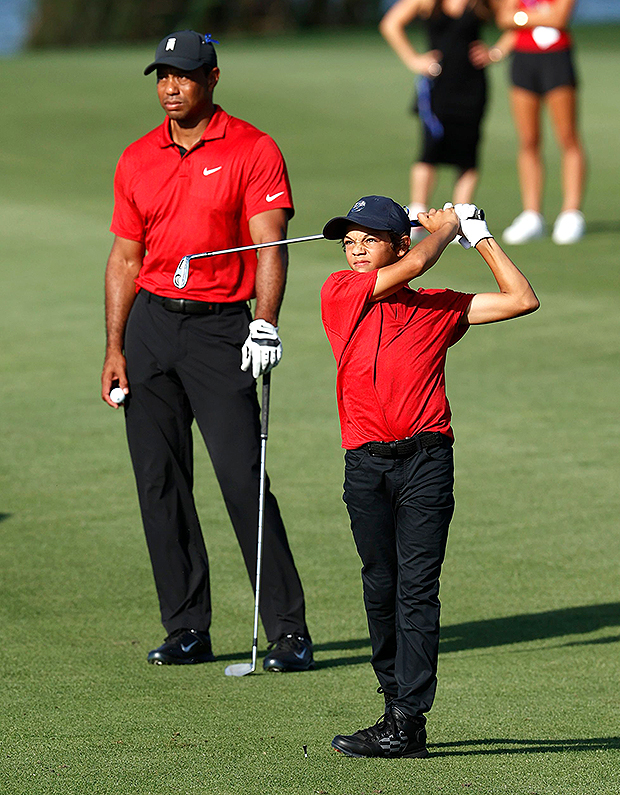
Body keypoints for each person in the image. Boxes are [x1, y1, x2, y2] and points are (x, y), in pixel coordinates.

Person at [101, 30, 313, 672]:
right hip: (150, 328)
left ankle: (288, 632)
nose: (170, 87)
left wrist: (266, 321)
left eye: (184, 76)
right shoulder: (137, 157)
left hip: (222, 330)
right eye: (162, 76)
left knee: (243, 478)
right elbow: (125, 257)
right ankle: (187, 626)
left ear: (213, 78)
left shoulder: (253, 148)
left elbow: (269, 244)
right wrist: (114, 344)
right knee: (159, 481)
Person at [320, 195, 538, 758]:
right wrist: (442, 228)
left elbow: (522, 299)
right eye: (350, 240)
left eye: (369, 239)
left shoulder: (438, 308)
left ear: (395, 241)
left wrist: (479, 235)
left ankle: (406, 720)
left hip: (425, 461)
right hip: (365, 463)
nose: (356, 249)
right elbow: (415, 265)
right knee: (380, 588)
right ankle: (393, 704)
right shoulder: (340, 294)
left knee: (416, 591)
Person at [379, 0, 502, 225]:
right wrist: (414, 60)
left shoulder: (480, 3)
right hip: (437, 85)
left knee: (468, 152)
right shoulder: (426, 2)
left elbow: (515, 20)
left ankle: (460, 218)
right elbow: (390, 24)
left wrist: (496, 51)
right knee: (430, 148)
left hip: (472, 85)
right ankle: (417, 216)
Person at [496, 0, 586, 244]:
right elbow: (503, 17)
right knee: (528, 140)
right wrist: (539, 15)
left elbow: (559, 19)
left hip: (556, 58)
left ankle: (571, 213)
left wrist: (522, 16)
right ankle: (532, 214)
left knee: (567, 136)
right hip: (523, 60)